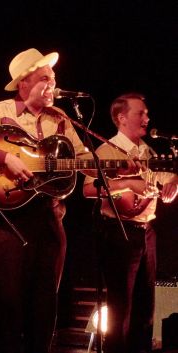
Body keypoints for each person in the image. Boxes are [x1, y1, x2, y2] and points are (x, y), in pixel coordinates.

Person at [0, 48, 91, 353]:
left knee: (45, 305)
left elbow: (83, 157)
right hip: (8, 221)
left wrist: (117, 167)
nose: (52, 84)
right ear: (23, 84)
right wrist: (6, 158)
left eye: (53, 78)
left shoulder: (61, 119)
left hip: (48, 217)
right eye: (45, 78)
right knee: (9, 305)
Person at [83, 93, 178, 353]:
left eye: (147, 113)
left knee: (145, 307)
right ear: (122, 118)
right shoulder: (106, 150)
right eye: (141, 113)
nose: (147, 118)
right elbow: (88, 189)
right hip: (118, 232)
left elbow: (168, 176)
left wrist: (173, 183)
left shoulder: (147, 151)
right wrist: (125, 184)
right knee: (120, 309)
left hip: (146, 231)